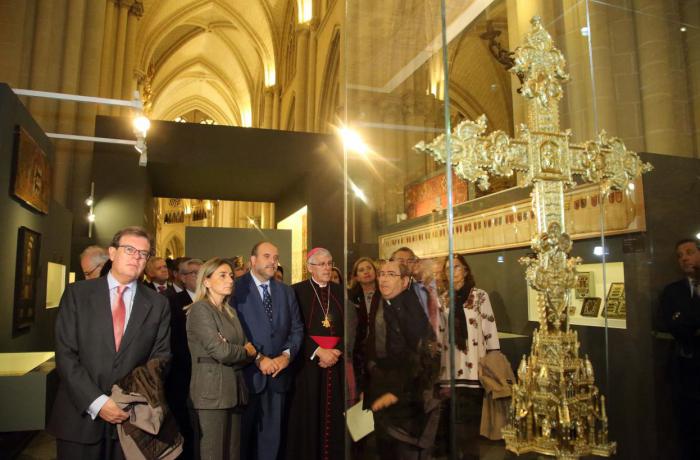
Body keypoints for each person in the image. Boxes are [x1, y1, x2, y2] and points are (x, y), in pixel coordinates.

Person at [47, 226, 171, 459]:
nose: (137, 257)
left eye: (143, 254)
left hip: (131, 421)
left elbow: (161, 357)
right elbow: (66, 354)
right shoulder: (78, 294)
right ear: (112, 253)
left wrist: (126, 399)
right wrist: (98, 401)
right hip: (79, 416)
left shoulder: (157, 304)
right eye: (129, 249)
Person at [231, 241, 304, 460]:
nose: (273, 261)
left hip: (277, 377)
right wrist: (258, 359)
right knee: (241, 443)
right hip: (246, 377)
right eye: (267, 256)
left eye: (275, 257)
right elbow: (234, 332)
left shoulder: (286, 291)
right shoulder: (235, 289)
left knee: (271, 444)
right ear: (252, 260)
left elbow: (297, 328)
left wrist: (286, 357)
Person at [368, 259, 440, 460]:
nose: (383, 279)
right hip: (384, 389)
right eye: (381, 273)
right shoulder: (384, 302)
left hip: (407, 398)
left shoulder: (411, 308)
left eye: (391, 274)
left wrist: (395, 392)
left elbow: (422, 357)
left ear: (405, 280)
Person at [187, 257, 257, 460]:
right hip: (210, 395)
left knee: (232, 453)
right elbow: (221, 351)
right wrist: (243, 351)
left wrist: (237, 350)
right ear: (206, 281)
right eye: (223, 275)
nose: (230, 280)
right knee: (212, 453)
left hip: (233, 391)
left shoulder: (231, 312)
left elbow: (242, 352)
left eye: (231, 276)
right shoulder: (200, 309)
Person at [436, 254, 500, 454]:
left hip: (473, 369)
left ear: (465, 270)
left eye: (457, 267)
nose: (453, 271)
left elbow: (489, 328)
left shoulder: (479, 296)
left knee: (470, 425)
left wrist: (493, 357)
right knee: (449, 424)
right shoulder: (442, 299)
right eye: (448, 268)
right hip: (449, 369)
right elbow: (438, 331)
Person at [287, 248, 345, 460]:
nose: (327, 268)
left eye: (329, 263)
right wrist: (317, 351)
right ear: (309, 267)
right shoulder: (295, 291)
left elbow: (351, 326)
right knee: (308, 416)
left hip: (335, 364)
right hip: (308, 365)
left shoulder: (340, 291)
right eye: (321, 264)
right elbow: (292, 328)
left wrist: (338, 351)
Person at [660, 238, 700, 460]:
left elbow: (684, 322)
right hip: (684, 374)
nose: (684, 258)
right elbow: (674, 325)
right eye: (680, 255)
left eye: (689, 252)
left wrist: (687, 321)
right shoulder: (672, 292)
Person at [166, 258, 203, 460]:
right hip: (181, 374)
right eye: (194, 273)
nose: (199, 277)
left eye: (203, 272)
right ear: (182, 277)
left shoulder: (215, 300)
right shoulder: (172, 302)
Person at [348, 257, 380, 399]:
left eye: (369, 268)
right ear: (356, 276)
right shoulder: (351, 298)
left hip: (380, 348)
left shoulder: (385, 293)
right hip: (358, 349)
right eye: (361, 270)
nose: (366, 272)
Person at [390, 247, 440, 336]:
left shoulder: (422, 288)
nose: (405, 264)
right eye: (401, 261)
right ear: (392, 262)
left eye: (409, 261)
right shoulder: (385, 288)